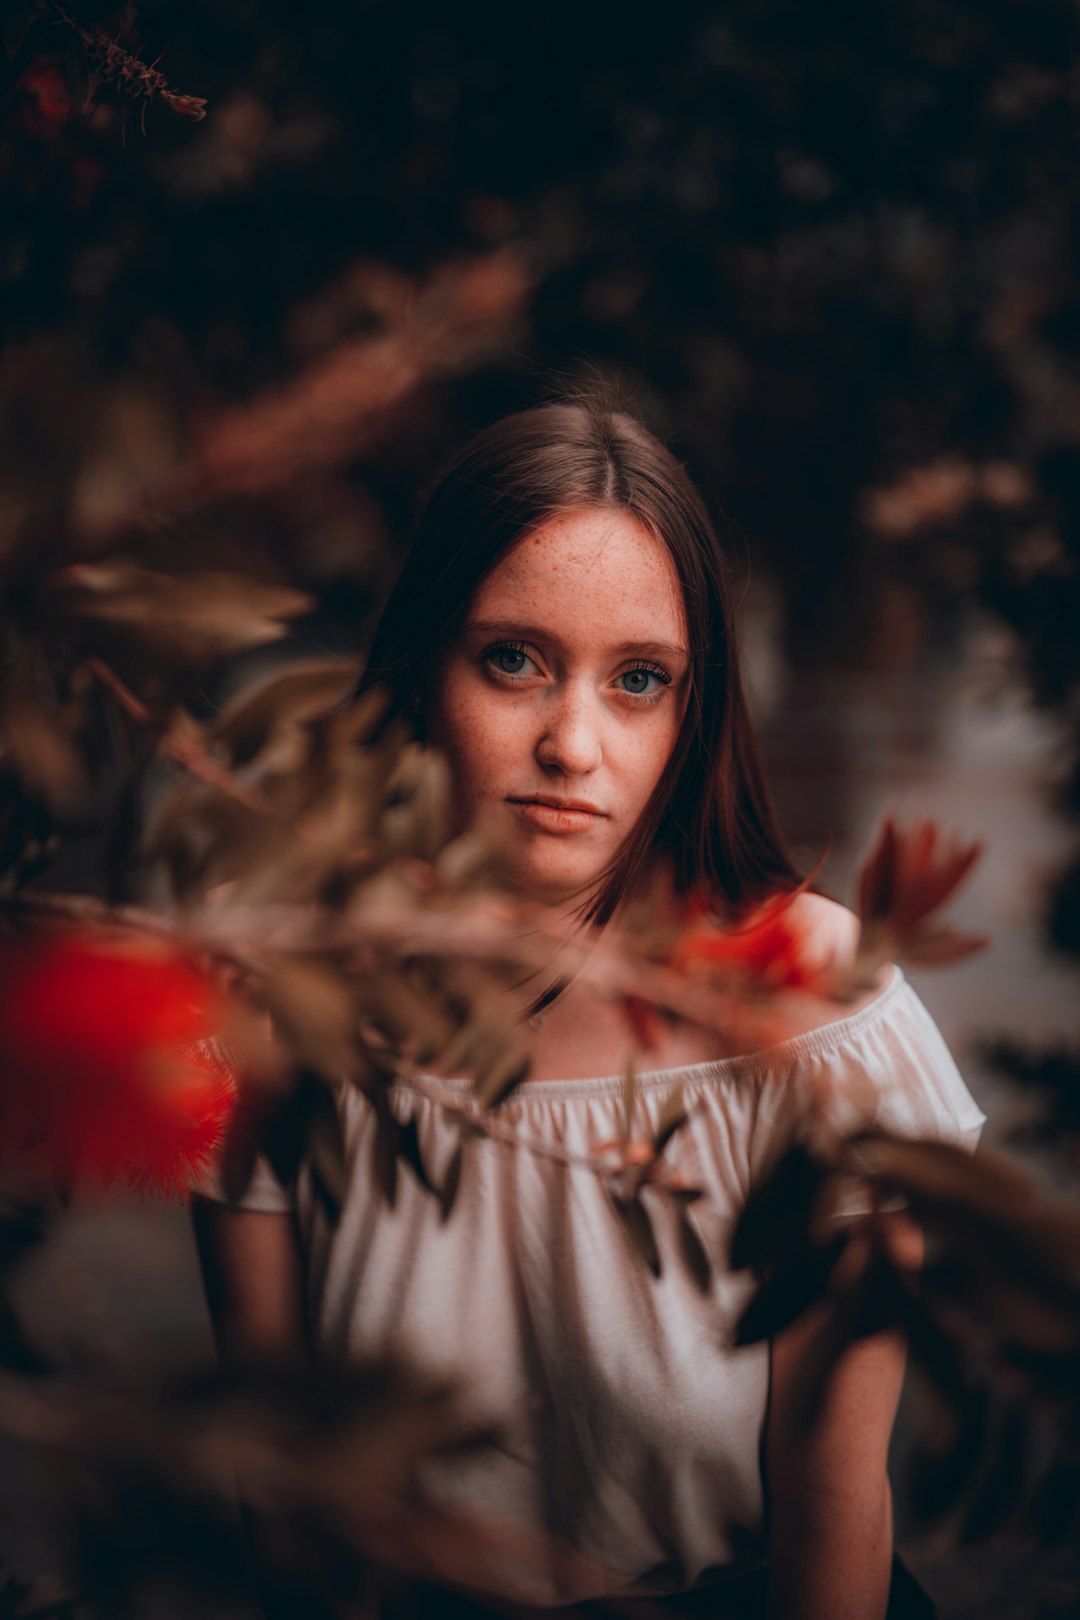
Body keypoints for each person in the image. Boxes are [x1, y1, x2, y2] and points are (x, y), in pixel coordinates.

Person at [190, 398, 987, 1620]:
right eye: (512, 659)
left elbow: (835, 1501)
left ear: (693, 710)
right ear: (420, 667)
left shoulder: (811, 1011)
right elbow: (280, 1506)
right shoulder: (285, 1004)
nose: (573, 743)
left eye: (638, 681)